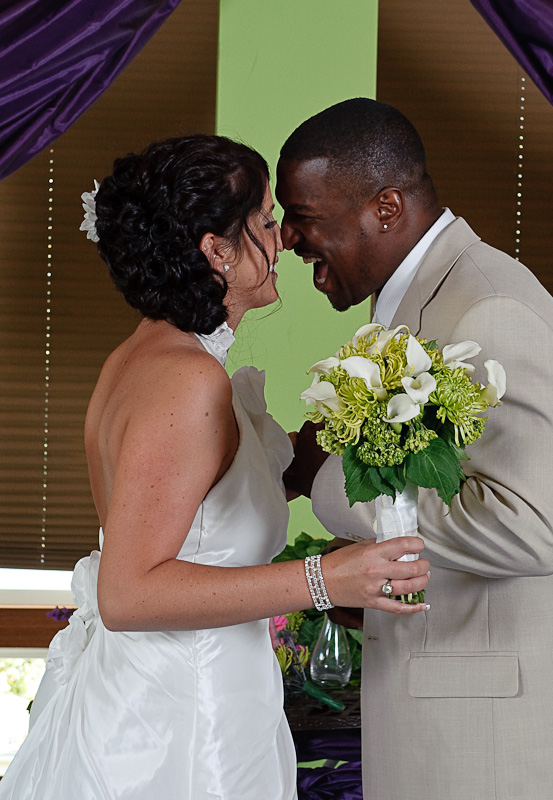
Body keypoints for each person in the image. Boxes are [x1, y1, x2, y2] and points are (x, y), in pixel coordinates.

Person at [0, 134, 430, 800]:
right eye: (262, 221)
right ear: (215, 250)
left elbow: (198, 506)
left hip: (186, 702)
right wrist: (327, 578)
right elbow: (129, 594)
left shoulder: (150, 356)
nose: (283, 238)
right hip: (178, 730)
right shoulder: (184, 380)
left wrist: (337, 437)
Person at [276, 99, 553, 800]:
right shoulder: (422, 306)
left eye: (305, 215)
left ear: (384, 207)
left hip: (505, 746)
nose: (290, 239)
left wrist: (328, 480)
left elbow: (527, 531)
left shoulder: (490, 309)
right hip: (457, 720)